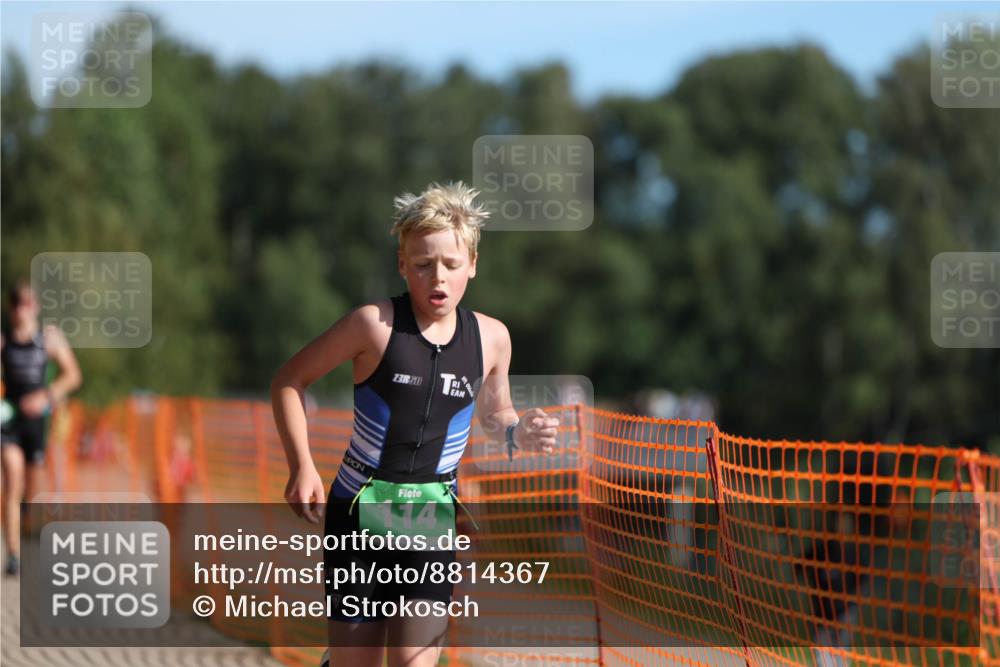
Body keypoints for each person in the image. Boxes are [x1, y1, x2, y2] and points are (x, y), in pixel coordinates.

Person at [271, 181, 560, 667]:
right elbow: (289, 380)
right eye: (423, 265)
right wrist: (301, 465)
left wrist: (518, 430)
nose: (437, 278)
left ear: (472, 264)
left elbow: (495, 413)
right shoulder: (372, 324)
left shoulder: (492, 338)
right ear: (402, 265)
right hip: (359, 512)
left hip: (429, 516)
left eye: (449, 264)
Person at [1, 281, 82, 576]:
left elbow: (73, 375)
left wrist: (46, 397)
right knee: (12, 481)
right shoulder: (4, 340)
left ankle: (26, 524)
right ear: (11, 309)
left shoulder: (49, 339)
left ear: (35, 307)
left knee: (31, 492)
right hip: (8, 421)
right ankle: (13, 554)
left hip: (37, 423)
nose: (21, 310)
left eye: (26, 303)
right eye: (16, 303)